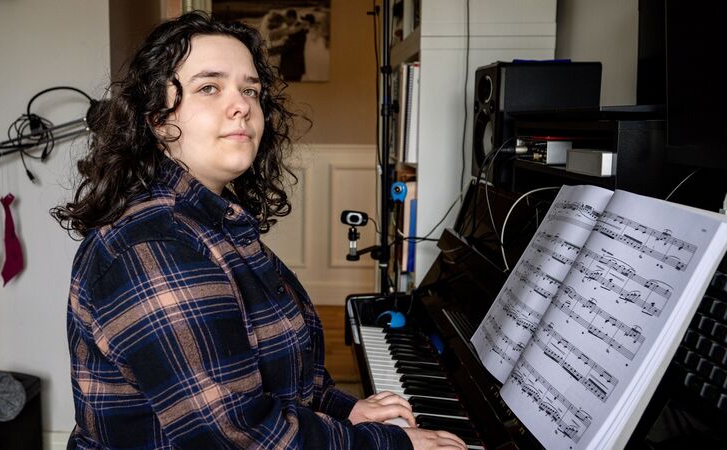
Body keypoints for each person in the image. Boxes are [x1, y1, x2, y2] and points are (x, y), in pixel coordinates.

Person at [53, 11, 467, 450]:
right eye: (209, 87)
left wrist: (346, 409)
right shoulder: (155, 246)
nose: (242, 105)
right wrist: (393, 444)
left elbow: (279, 374)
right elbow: (241, 437)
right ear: (156, 117)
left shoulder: (211, 220)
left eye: (250, 89)